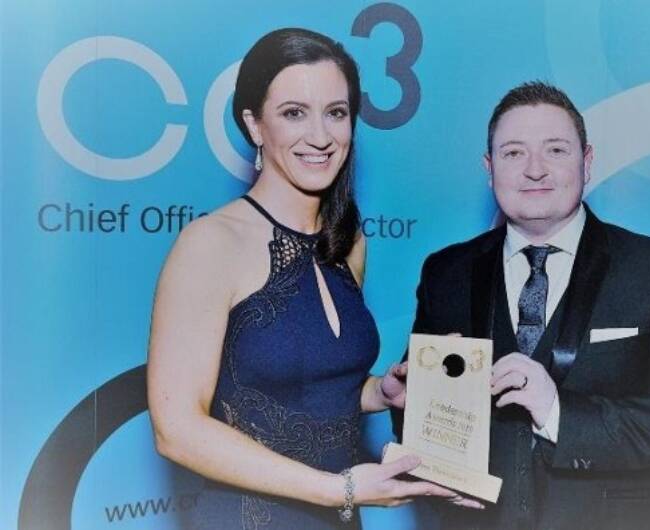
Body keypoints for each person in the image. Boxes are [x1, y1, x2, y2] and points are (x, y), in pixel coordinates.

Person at [147, 28, 457, 530]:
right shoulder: (209, 244)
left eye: (336, 113)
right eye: (294, 113)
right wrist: (340, 490)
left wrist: (379, 393)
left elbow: (310, 390)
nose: (320, 136)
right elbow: (176, 429)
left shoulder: (348, 242)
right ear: (254, 124)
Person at [392, 81, 650, 530]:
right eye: (513, 153)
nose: (535, 170)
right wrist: (408, 407)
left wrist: (558, 414)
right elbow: (424, 419)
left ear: (586, 162)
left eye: (555, 150)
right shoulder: (445, 272)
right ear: (489, 168)